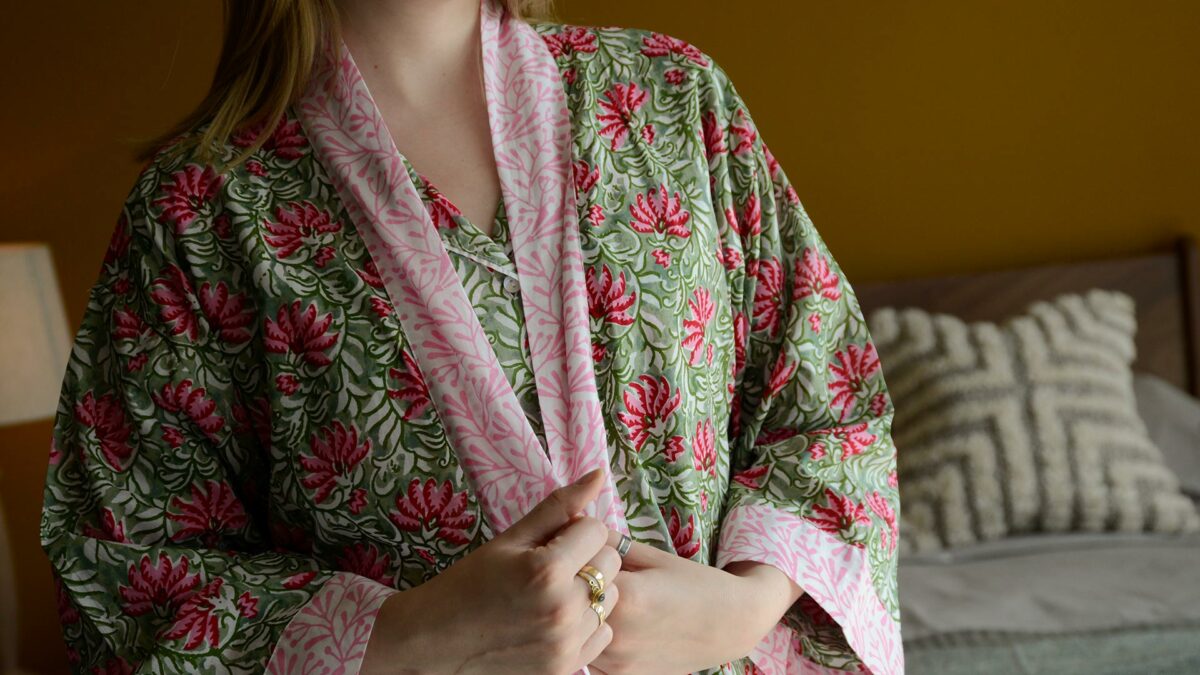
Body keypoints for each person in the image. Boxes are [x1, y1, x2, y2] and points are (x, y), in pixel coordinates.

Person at [39, 0, 903, 673]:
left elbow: (831, 410)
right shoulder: (199, 208)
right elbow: (127, 573)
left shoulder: (674, 100)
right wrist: (410, 634)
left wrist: (744, 606)